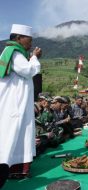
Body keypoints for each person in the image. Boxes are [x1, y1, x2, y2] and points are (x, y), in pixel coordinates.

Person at [0, 24, 42, 184]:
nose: (31, 44)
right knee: (14, 134)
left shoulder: (15, 53)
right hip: (14, 105)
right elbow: (29, 71)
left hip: (19, 103)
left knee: (21, 134)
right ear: (18, 38)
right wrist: (34, 57)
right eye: (29, 40)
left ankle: (18, 169)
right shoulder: (14, 53)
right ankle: (11, 169)